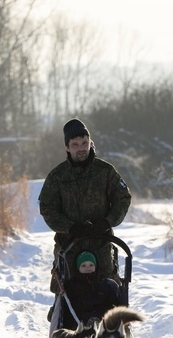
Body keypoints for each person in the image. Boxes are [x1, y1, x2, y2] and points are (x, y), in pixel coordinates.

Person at [38, 117, 132, 296]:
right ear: (67, 147)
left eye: (84, 142)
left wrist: (107, 222)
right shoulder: (57, 176)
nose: (81, 148)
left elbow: (123, 197)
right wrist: (70, 227)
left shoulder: (105, 171)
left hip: (101, 244)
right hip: (69, 246)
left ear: (90, 142)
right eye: (75, 144)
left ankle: (115, 323)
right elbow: (47, 208)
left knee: (109, 291)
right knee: (66, 294)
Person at [59, 251, 121, 330]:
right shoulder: (72, 285)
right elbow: (68, 308)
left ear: (95, 266)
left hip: (102, 318)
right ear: (78, 268)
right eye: (84, 265)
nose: (88, 268)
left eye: (91, 265)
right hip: (79, 319)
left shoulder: (104, 283)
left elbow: (112, 303)